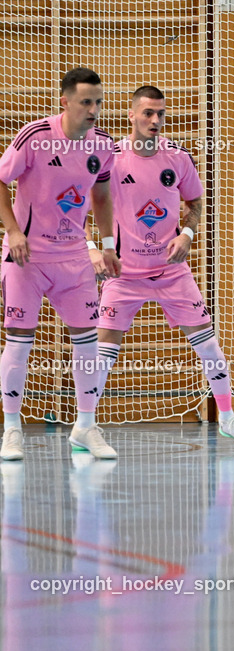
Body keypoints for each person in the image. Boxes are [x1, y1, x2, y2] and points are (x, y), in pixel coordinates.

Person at [91, 85, 234, 448]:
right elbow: (85, 208)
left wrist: (187, 234)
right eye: (148, 113)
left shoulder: (177, 158)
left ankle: (227, 417)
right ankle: (85, 425)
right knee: (101, 349)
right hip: (124, 274)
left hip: (171, 271)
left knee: (209, 345)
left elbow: (196, 203)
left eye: (160, 114)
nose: (155, 120)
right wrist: (92, 248)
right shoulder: (111, 158)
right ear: (131, 114)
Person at [0, 67, 120, 460]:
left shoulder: (102, 145)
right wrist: (14, 231)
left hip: (74, 261)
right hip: (27, 258)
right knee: (20, 343)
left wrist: (106, 245)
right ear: (65, 101)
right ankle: (12, 429)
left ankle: (86, 426)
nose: (94, 110)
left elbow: (102, 196)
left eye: (99, 102)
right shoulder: (35, 137)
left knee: (87, 344)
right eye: (86, 102)